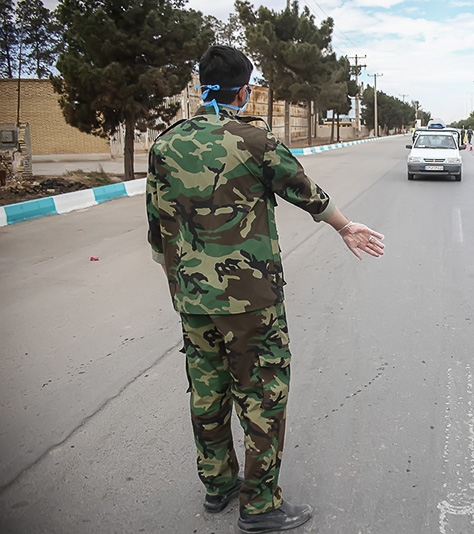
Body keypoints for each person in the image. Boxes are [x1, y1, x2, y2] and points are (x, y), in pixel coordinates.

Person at [145, 46, 385, 534]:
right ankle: (259, 505)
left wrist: (182, 279)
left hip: (192, 298)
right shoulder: (254, 140)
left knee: (207, 390)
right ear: (243, 91)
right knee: (262, 393)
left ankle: (218, 485)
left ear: (201, 87)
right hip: (250, 299)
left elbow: (156, 225)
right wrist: (344, 226)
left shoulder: (165, 145)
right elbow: (304, 190)